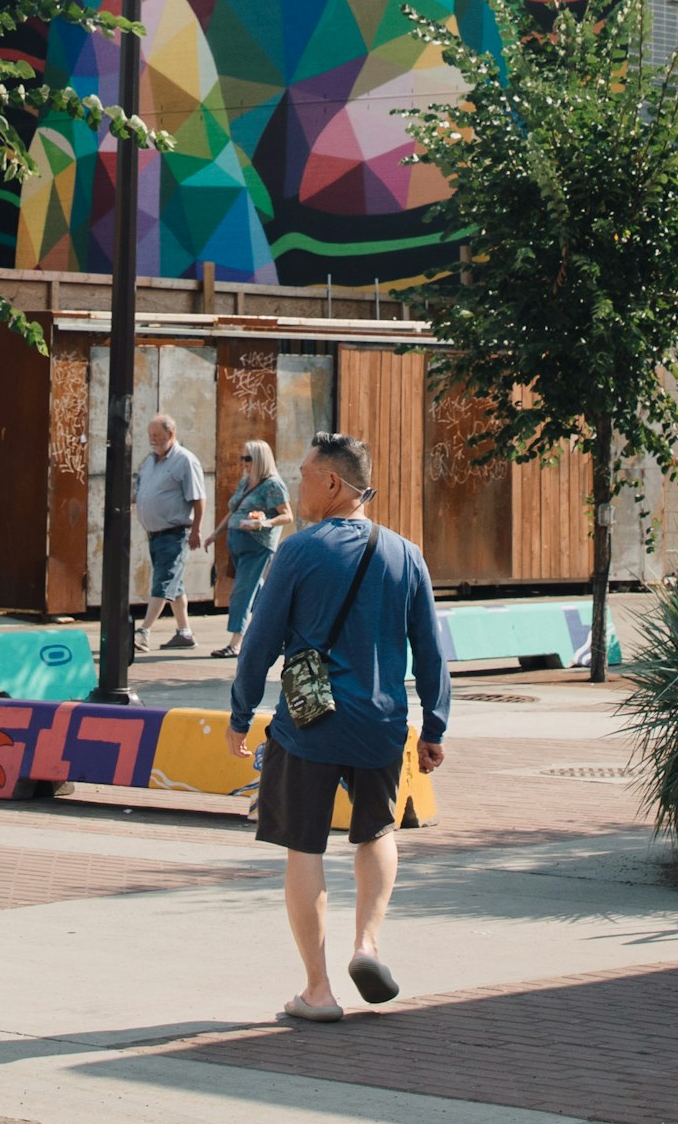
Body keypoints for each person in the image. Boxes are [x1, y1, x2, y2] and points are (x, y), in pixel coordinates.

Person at [229, 430, 448, 1023]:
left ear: (333, 483)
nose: (296, 486)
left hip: (310, 724)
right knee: (377, 832)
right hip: (381, 722)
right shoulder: (406, 554)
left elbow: (259, 644)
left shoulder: (299, 552)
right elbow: (430, 650)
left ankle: (318, 992)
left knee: (305, 845)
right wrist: (435, 726)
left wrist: (241, 713)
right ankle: (368, 944)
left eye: (303, 475)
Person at [133, 414, 210, 652]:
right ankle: (184, 632)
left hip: (175, 533)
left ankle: (143, 631)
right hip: (154, 533)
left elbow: (198, 498)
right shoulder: (150, 461)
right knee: (174, 585)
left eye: (157, 436)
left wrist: (197, 529)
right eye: (150, 436)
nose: (153, 440)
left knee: (163, 582)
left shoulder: (185, 461)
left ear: (171, 435)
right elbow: (141, 490)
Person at [221, 439, 289, 637]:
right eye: (243, 458)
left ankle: (236, 641)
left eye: (248, 459)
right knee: (257, 589)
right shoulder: (245, 482)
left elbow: (287, 515)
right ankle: (278, 627)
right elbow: (233, 511)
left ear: (260, 459)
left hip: (257, 544)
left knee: (242, 592)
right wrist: (214, 534)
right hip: (237, 542)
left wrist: (264, 523)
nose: (244, 463)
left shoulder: (273, 485)